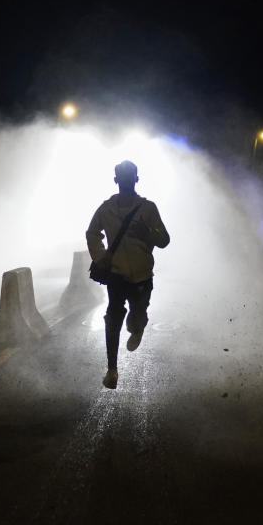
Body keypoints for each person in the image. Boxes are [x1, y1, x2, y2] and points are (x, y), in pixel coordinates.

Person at [86, 160, 170, 389]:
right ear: (115, 180)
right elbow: (92, 232)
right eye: (121, 176)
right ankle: (112, 370)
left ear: (136, 179)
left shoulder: (148, 208)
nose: (125, 179)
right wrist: (101, 256)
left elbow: (164, 240)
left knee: (138, 315)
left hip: (143, 276)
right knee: (113, 318)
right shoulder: (106, 209)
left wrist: (148, 233)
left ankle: (137, 327)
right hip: (116, 275)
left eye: (129, 175)